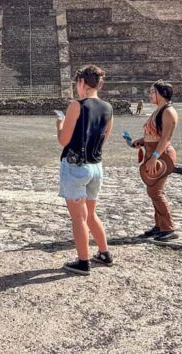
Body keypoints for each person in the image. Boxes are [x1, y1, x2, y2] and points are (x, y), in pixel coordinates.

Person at [56, 65, 114, 275]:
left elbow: (64, 140)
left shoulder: (76, 105)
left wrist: (59, 125)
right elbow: (104, 138)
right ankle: (104, 253)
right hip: (96, 166)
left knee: (79, 218)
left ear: (81, 83)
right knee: (91, 214)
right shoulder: (108, 107)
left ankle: (83, 261)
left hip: (76, 167)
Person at [131, 80, 180, 241]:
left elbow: (165, 138)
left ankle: (168, 227)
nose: (151, 95)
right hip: (152, 153)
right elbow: (153, 135)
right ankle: (159, 225)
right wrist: (141, 141)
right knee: (153, 190)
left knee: (156, 191)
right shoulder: (158, 111)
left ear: (162, 94)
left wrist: (155, 157)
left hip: (161, 155)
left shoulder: (168, 112)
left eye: (153, 92)